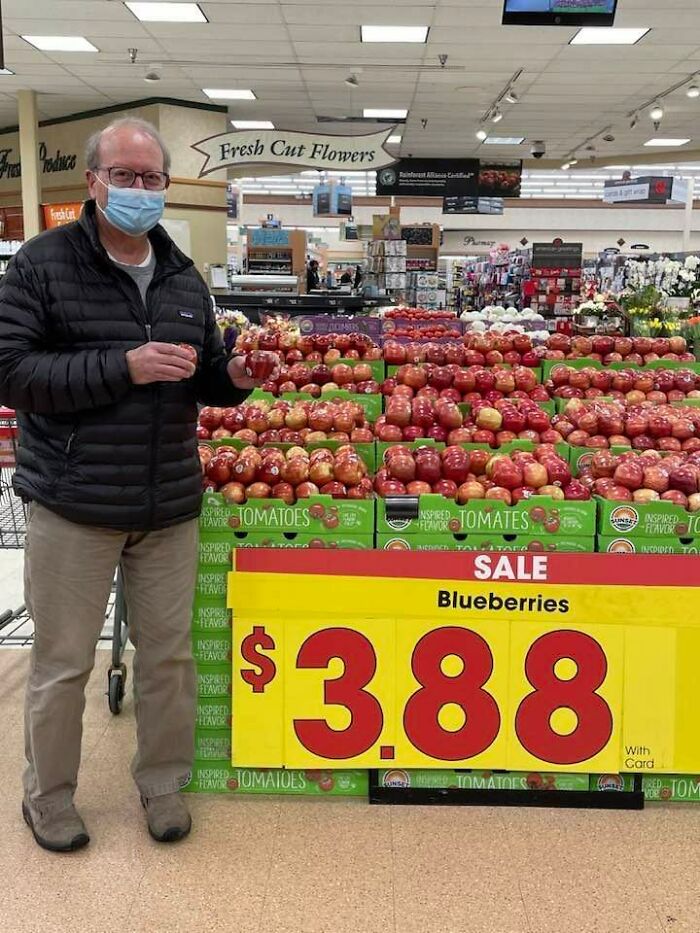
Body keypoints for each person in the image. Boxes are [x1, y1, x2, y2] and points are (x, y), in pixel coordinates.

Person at [0, 117, 271, 853]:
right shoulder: (42, 264)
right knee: (62, 663)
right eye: (126, 176)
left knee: (169, 656)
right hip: (74, 501)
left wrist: (235, 379)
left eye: (154, 178)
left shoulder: (184, 274)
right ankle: (48, 797)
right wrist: (124, 364)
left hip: (167, 502)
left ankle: (161, 783)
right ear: (93, 182)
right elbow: (14, 373)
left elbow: (205, 376)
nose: (141, 190)